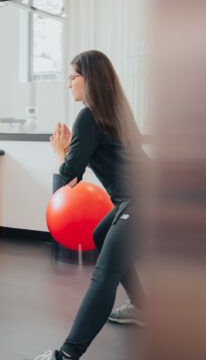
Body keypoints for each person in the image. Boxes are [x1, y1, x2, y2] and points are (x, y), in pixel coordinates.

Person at [34, 50, 148, 360]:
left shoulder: (89, 115)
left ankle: (67, 355)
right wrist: (71, 149)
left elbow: (68, 180)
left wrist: (61, 150)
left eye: (73, 77)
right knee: (100, 236)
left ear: (90, 79)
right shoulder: (113, 112)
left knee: (104, 274)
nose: (69, 83)